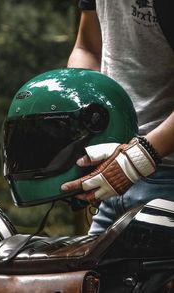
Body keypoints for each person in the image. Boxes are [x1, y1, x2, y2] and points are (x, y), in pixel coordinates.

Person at [61, 0, 174, 235]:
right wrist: (78, 116)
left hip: (167, 177)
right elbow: (89, 47)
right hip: (114, 170)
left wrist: (137, 160)